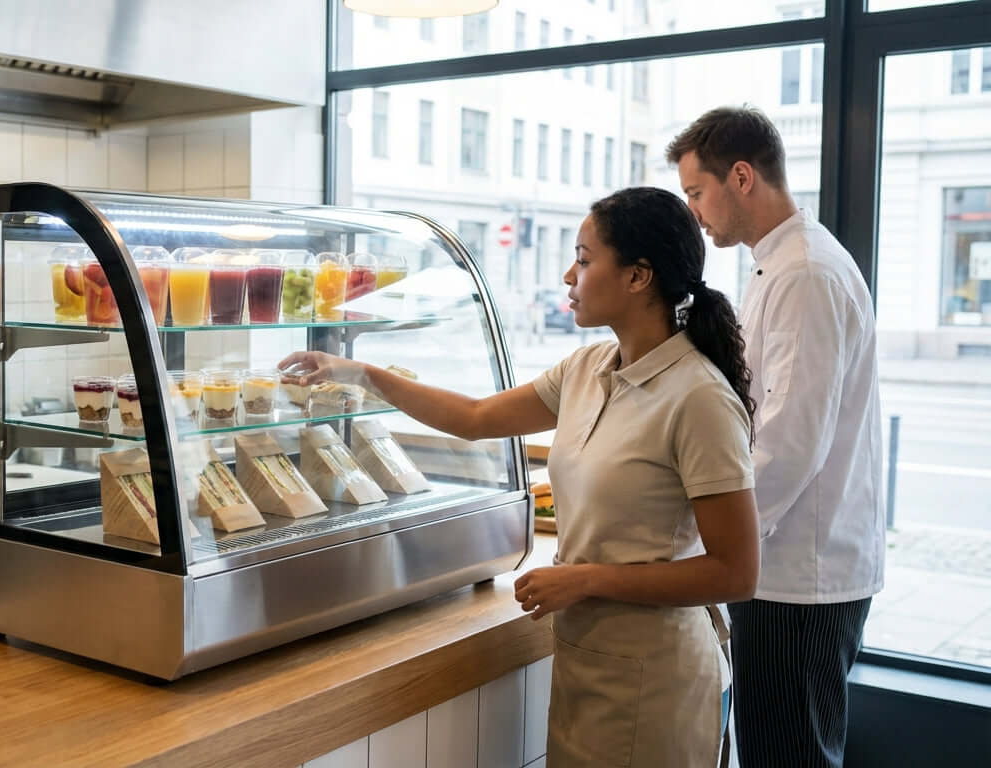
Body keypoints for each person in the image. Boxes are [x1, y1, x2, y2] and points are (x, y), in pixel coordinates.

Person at [282, 187, 759, 767]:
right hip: (589, 653)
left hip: (659, 671)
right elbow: (476, 418)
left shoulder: (699, 397)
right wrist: (357, 371)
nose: (568, 274)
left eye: (584, 260)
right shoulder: (587, 367)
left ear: (638, 277)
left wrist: (584, 580)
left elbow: (735, 572)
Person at [668, 106, 884, 768]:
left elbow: (789, 445)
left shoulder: (805, 272)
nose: (696, 215)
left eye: (697, 194)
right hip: (784, 568)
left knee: (791, 757)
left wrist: (706, 540)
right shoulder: (781, 262)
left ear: (740, 177)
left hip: (799, 577)